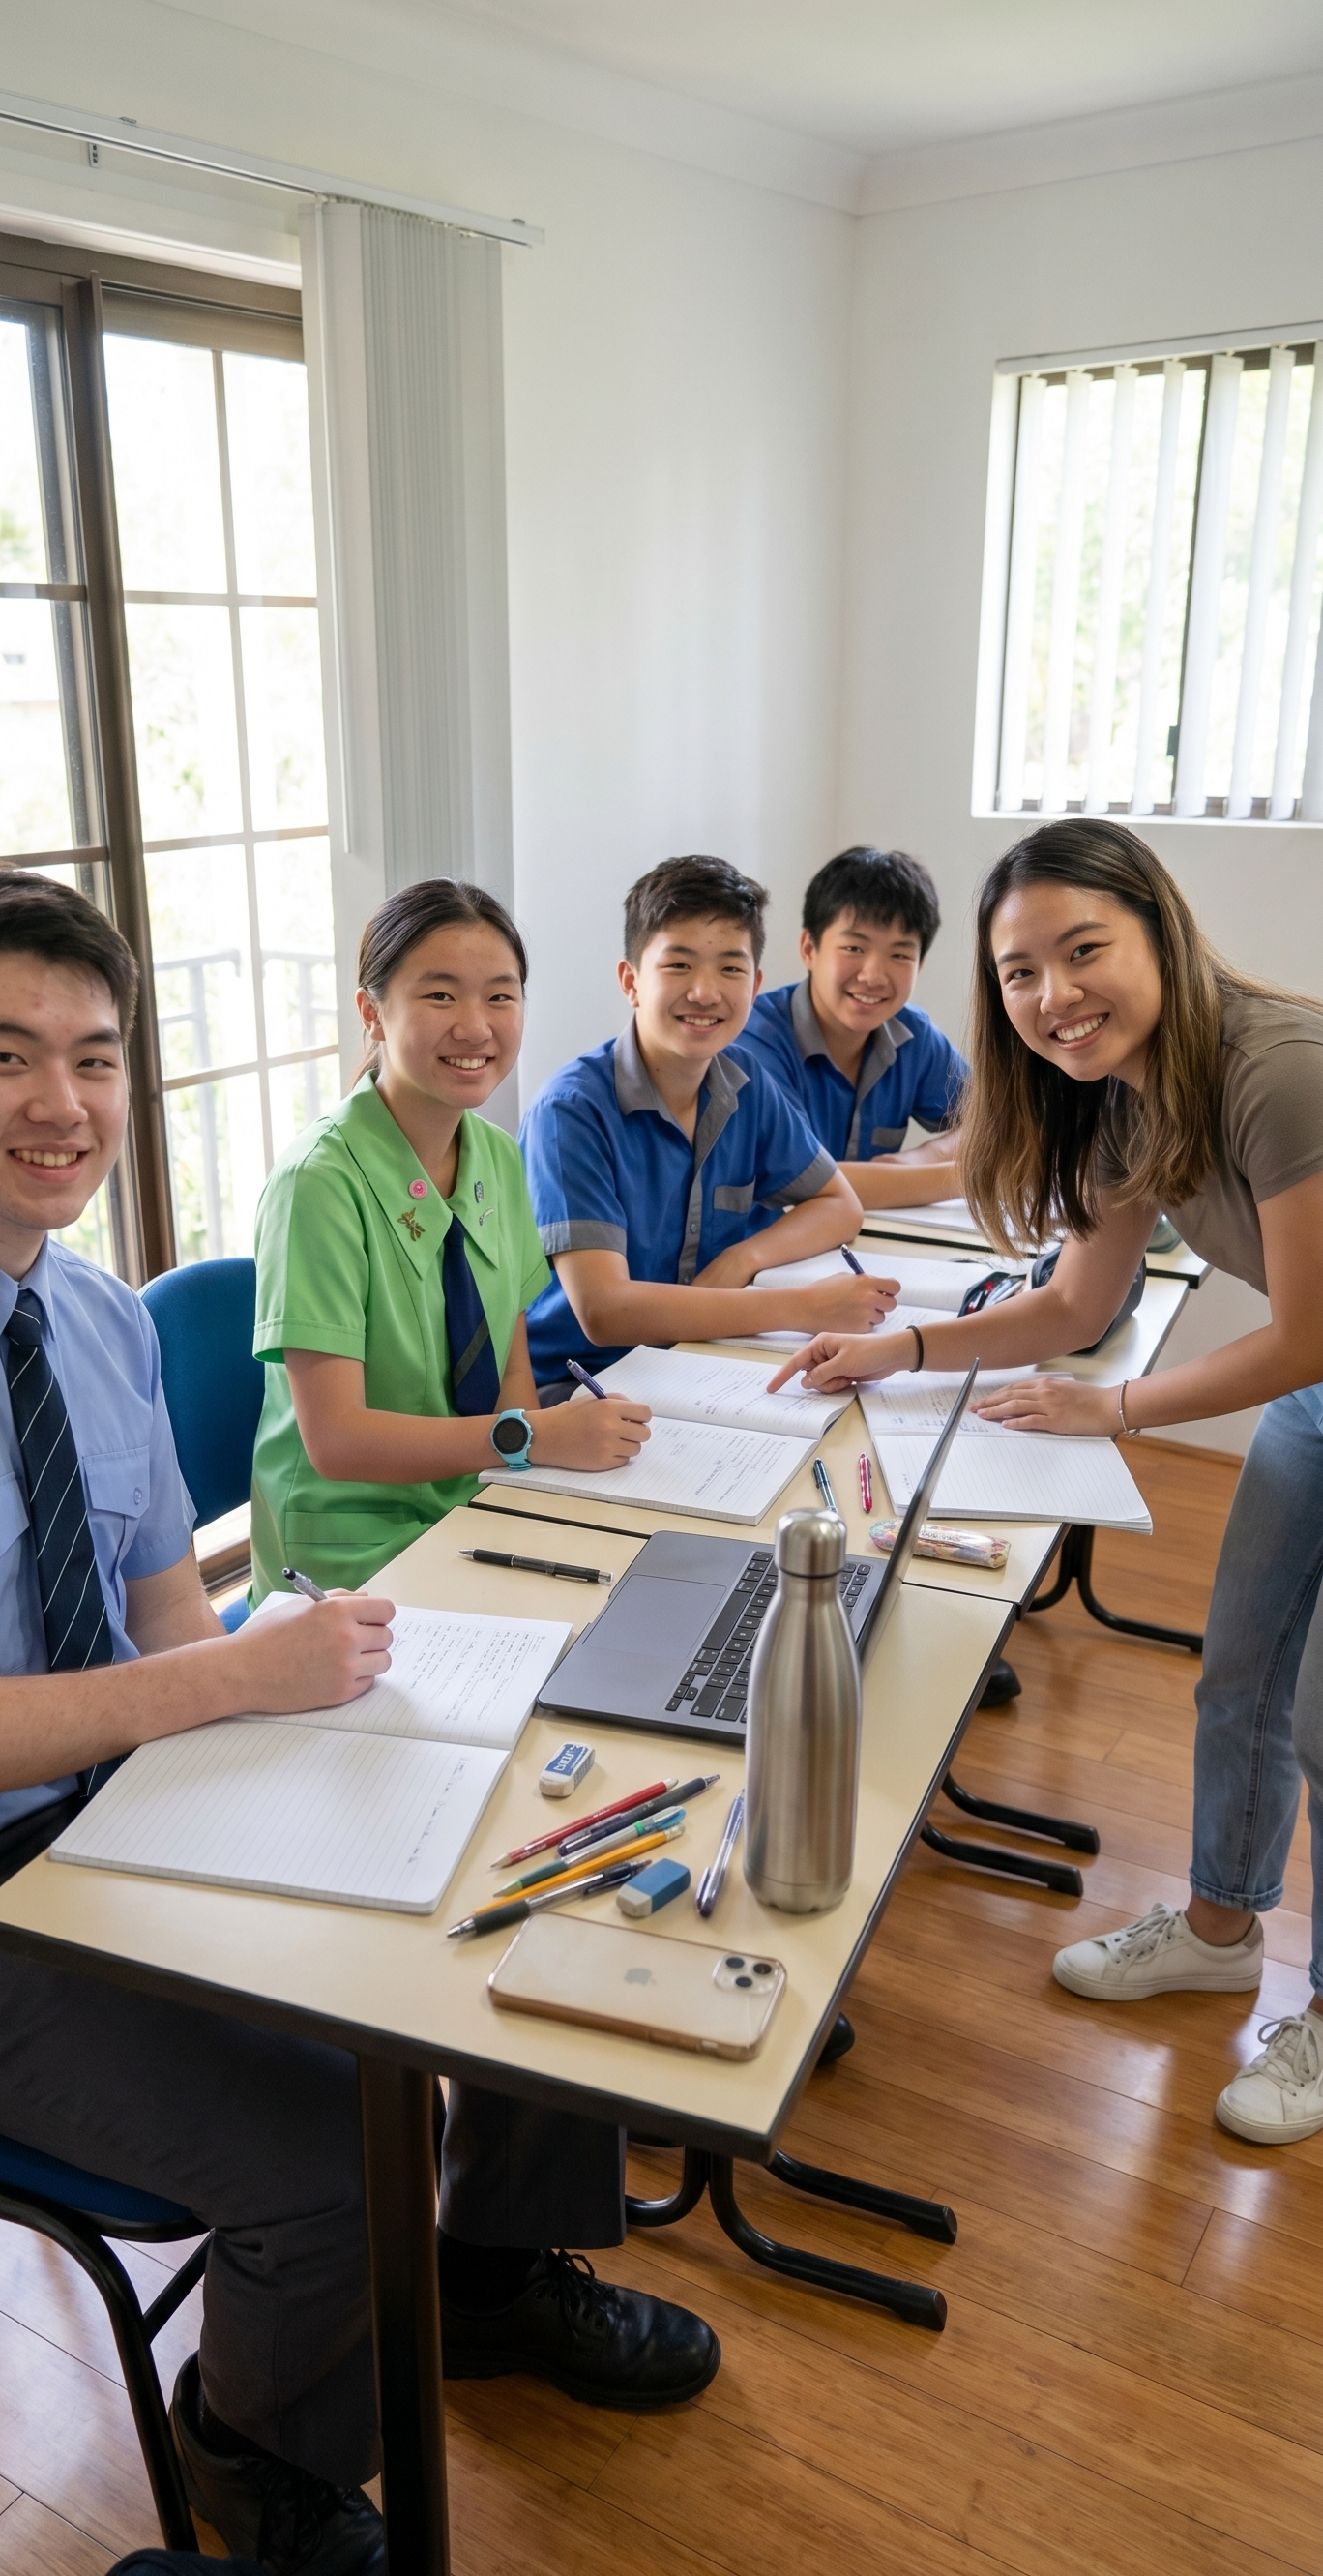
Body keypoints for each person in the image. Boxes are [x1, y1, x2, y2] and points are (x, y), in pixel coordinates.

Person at [0, 872, 720, 2576]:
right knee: (328, 2145)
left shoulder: (84, 1318)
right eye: (2, 1053)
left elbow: (168, 1617)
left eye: (93, 1057)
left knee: (500, 1899)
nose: (61, 1102)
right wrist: (221, 1687)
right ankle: (250, 2438)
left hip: (115, 1801)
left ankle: (483, 2277)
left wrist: (309, 1710)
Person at [769, 817, 1323, 2147]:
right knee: (1242, 1669)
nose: (1053, 997)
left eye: (1085, 953)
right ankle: (1216, 1929)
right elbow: (1074, 1299)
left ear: (1159, 934)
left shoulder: (1276, 1073)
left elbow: (1306, 1329)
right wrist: (898, 1351)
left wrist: (1116, 1408)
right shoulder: (1118, 1088)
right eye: (1021, 973)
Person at [250, 878, 652, 1598]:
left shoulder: (496, 1155)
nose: (475, 1027)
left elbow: (512, 1370)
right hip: (352, 1563)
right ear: (372, 1012)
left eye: (500, 996)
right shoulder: (318, 1185)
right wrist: (529, 1439)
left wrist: (525, 1466)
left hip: (476, 1512)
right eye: (440, 996)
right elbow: (337, 1440)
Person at [520, 852, 897, 1389]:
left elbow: (839, 1205)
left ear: (755, 982)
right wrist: (800, 1307)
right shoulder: (570, 1113)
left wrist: (744, 1259)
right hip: (584, 1387)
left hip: (699, 1362)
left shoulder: (744, 1078)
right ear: (630, 980)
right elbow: (606, 1311)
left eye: (730, 968)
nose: (705, 992)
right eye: (679, 965)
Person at [734, 844, 967, 1209]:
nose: (873, 975)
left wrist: (916, 1161)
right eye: (854, 949)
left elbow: (998, 1125)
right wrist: (969, 1177)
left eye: (900, 955)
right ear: (809, 949)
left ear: (919, 965)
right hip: (768, 1254)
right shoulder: (755, 1040)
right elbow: (805, 1182)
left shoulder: (913, 1035)